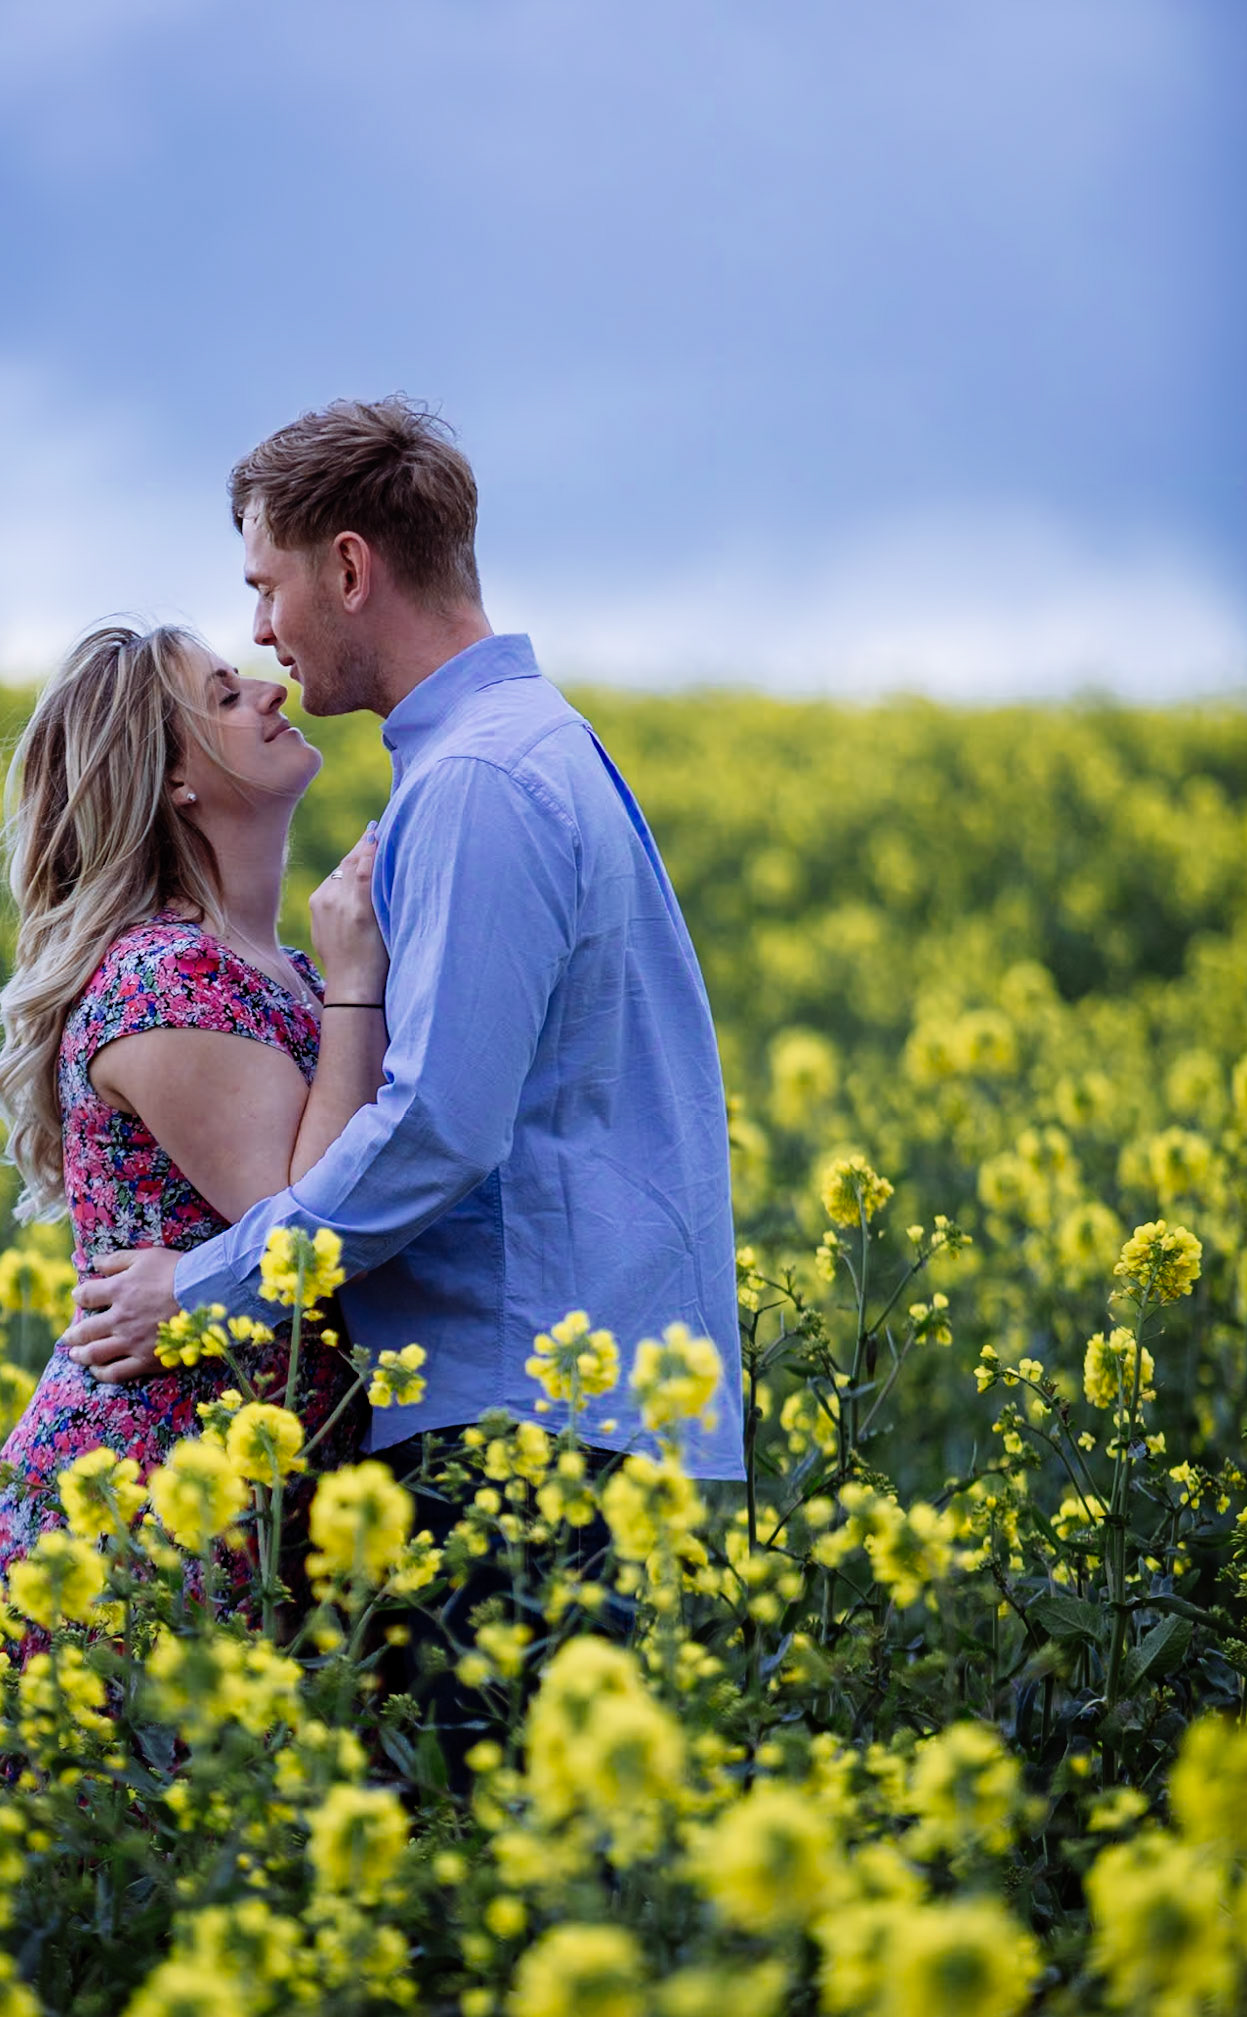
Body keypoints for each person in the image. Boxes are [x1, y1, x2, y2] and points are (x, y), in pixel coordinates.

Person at [64, 398, 744, 1491]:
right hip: (556, 1397)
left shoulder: (479, 779)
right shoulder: (515, 749)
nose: (265, 638)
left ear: (347, 569)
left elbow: (437, 1130)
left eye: (265, 588)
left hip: (520, 1402)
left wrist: (195, 1294)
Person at [0, 621, 386, 1599]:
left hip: (244, 1487)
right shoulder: (169, 976)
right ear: (174, 782)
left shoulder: (277, 969)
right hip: (146, 1509)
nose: (271, 691)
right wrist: (359, 982)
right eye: (228, 696)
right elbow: (308, 1216)